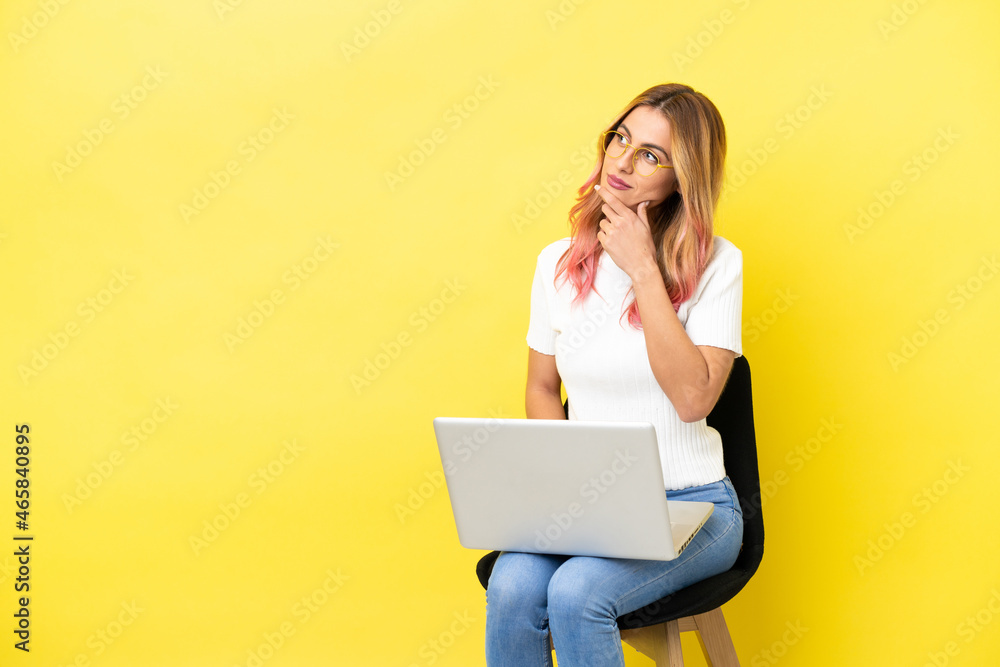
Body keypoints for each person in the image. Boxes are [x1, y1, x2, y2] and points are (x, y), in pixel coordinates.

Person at [484, 83, 744, 667]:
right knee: (512, 585)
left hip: (694, 507)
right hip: (589, 506)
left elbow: (693, 399)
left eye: (651, 154)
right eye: (620, 139)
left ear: (683, 179)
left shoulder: (718, 265)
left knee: (577, 595)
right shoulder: (556, 262)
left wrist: (643, 269)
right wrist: (565, 489)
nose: (623, 162)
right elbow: (542, 388)